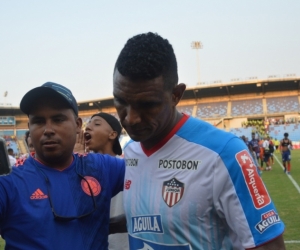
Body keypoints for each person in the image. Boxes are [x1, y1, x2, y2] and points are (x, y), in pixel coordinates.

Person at [113, 32, 285, 249]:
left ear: (176, 95)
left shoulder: (223, 153)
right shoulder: (131, 152)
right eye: (120, 101)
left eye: (147, 105)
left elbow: (270, 244)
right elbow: (148, 219)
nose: (130, 118)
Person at [0, 82, 125, 249]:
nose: (48, 129)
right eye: (39, 121)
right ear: (29, 128)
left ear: (78, 125)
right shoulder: (10, 181)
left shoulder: (103, 167)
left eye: (58, 119)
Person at [84, 112, 129, 250]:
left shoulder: (125, 167)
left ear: (112, 134)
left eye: (96, 124)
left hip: (120, 245)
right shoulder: (79, 166)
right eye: (88, 123)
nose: (88, 127)